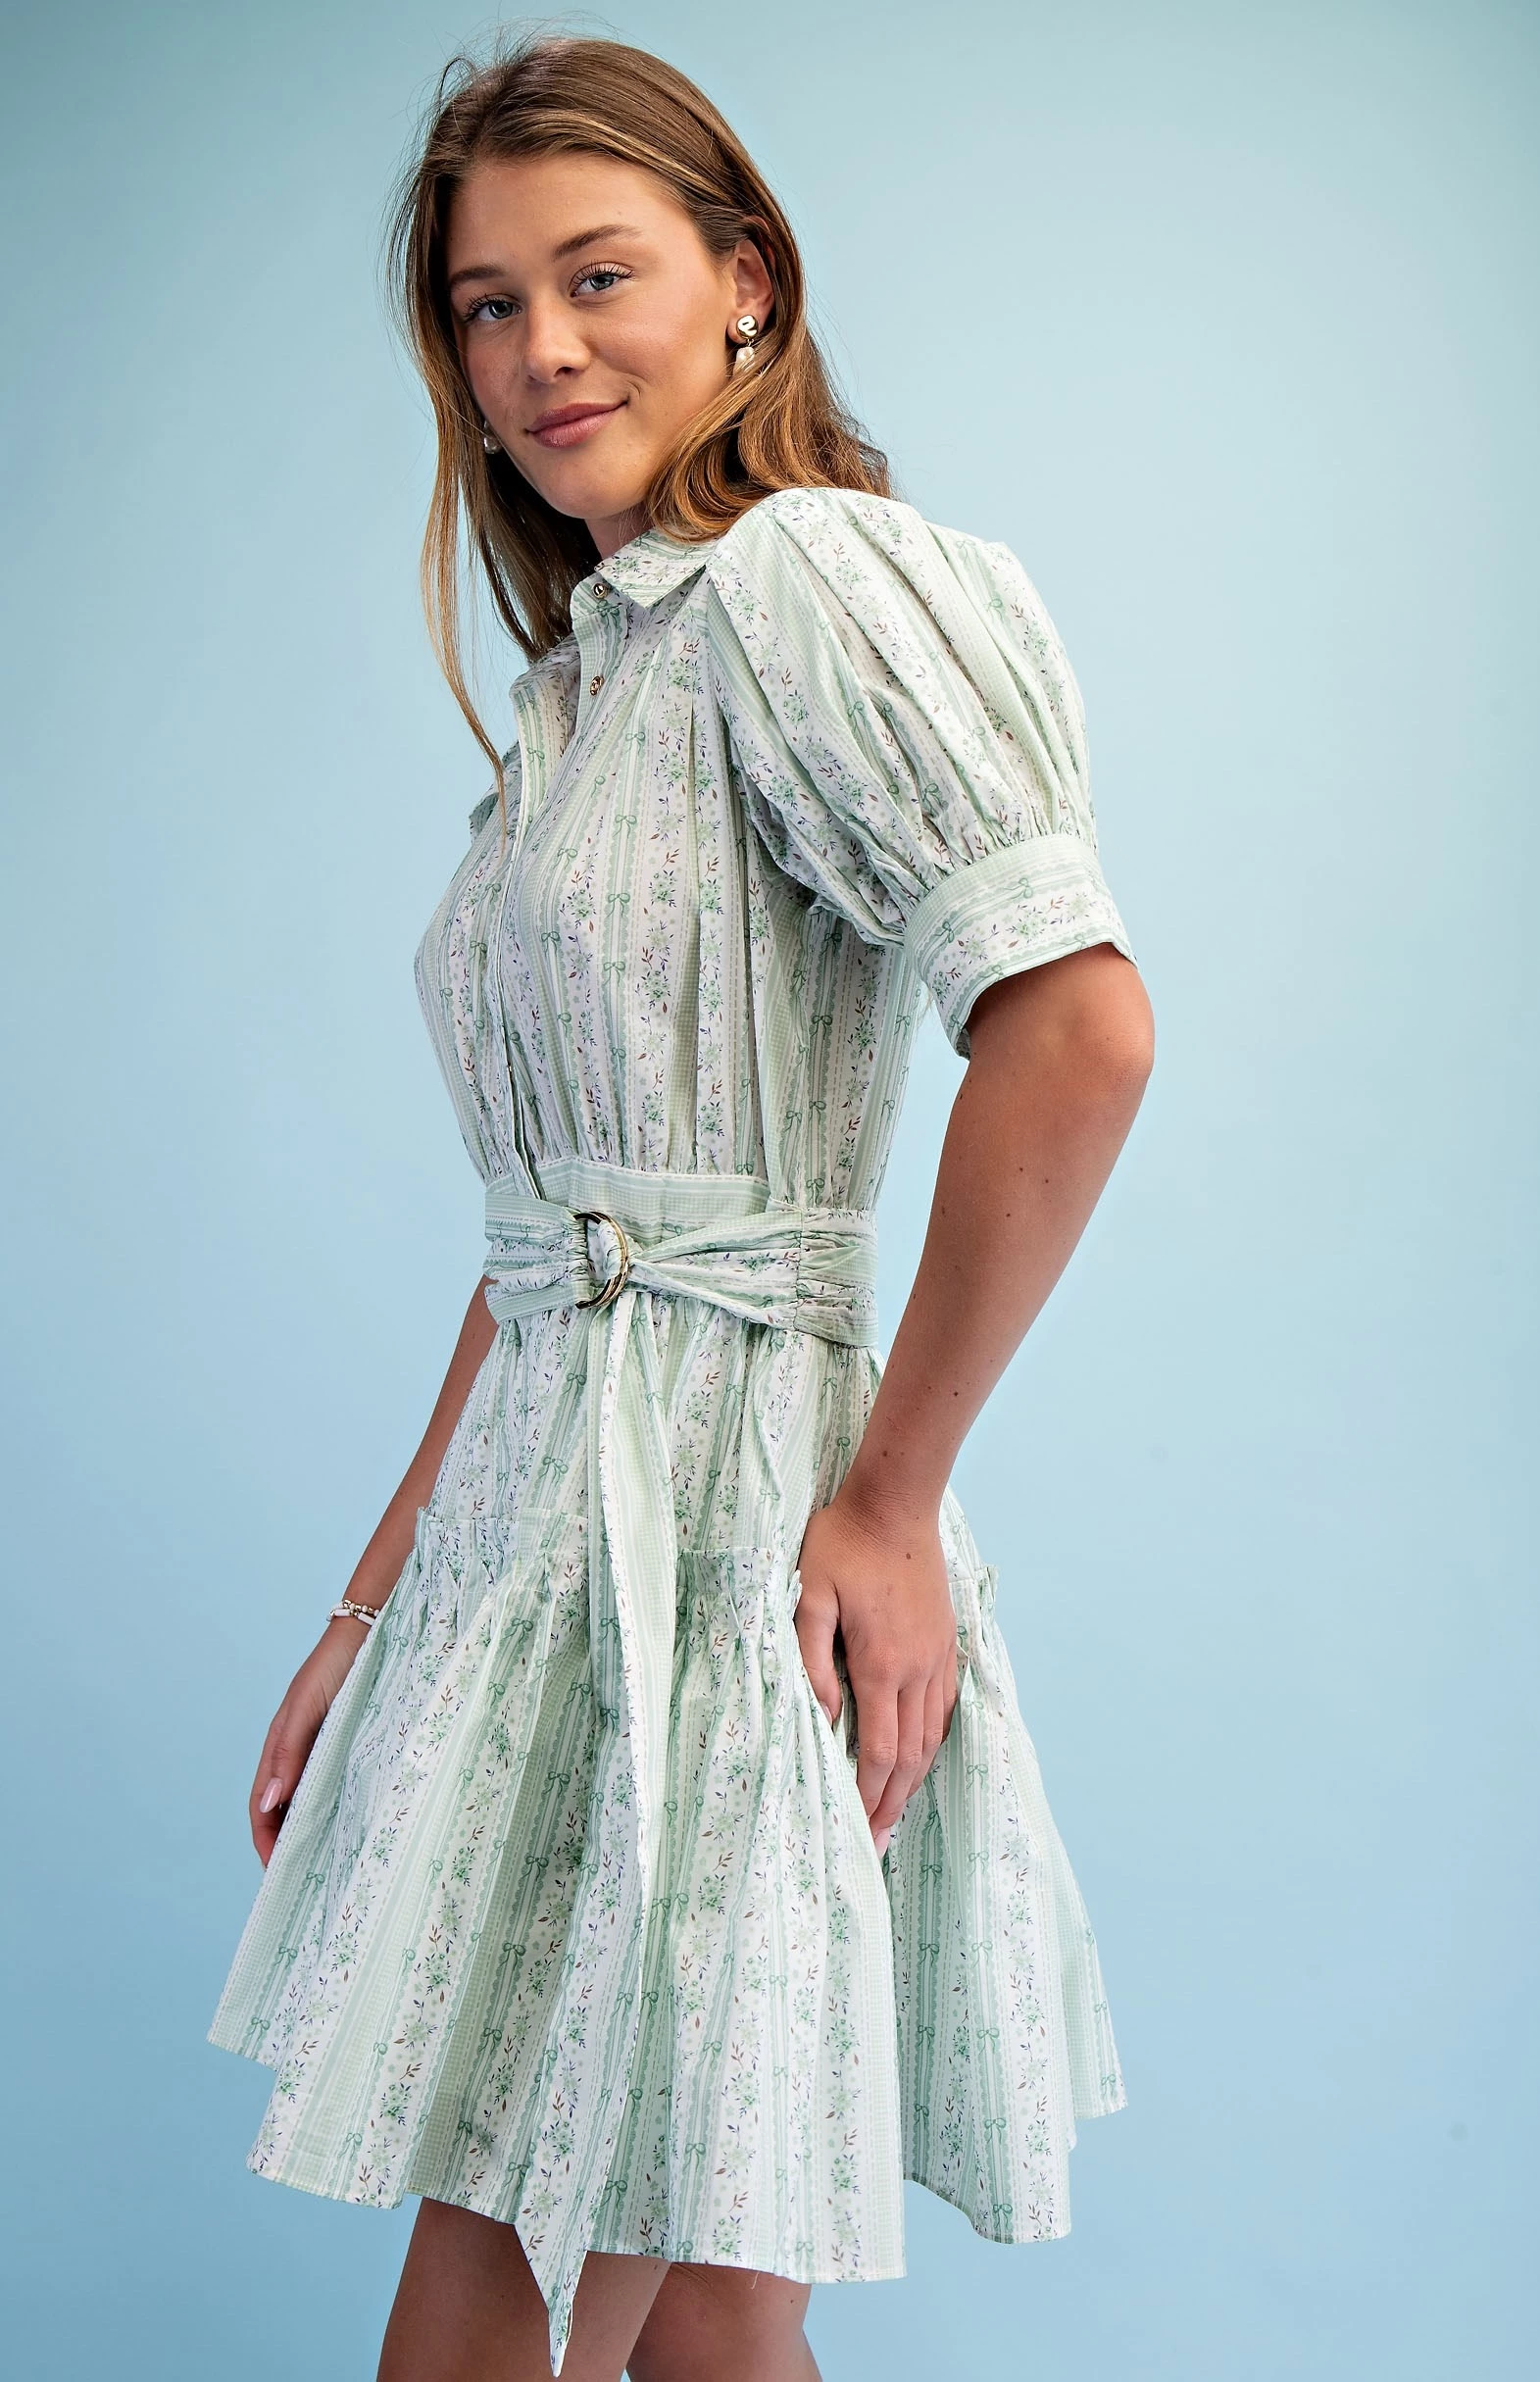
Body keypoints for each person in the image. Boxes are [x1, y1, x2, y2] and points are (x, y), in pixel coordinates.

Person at [206, 31, 1155, 2382]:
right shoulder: (593, 682)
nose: (540, 348)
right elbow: (553, 1238)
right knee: (668, 2316)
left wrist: (893, 1502)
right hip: (543, 1548)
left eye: (596, 274)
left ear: (750, 283)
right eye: (486, 304)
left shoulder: (804, 583)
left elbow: (1080, 1024)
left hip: (723, 1550)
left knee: (587, 2302)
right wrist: (370, 1604)